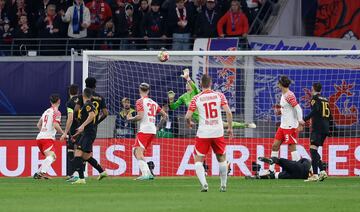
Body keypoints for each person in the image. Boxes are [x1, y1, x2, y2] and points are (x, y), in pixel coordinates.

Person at [185, 74, 233, 192]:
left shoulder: (196, 98)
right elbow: (229, 113)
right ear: (211, 83)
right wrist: (230, 128)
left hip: (203, 133)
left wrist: (189, 123)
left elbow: (187, 116)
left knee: (198, 161)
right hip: (217, 131)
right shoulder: (219, 95)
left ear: (201, 84)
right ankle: (223, 185)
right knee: (221, 158)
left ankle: (204, 184)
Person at [169, 68, 256, 129]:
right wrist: (171, 100)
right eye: (186, 84)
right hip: (200, 122)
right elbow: (173, 107)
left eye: (189, 84)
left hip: (208, 118)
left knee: (225, 125)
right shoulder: (183, 97)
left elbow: (195, 87)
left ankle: (245, 125)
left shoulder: (197, 93)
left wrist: (188, 78)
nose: (187, 86)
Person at [127, 83, 168, 180]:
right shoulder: (153, 102)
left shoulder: (140, 101)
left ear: (139, 90)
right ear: (148, 91)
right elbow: (165, 116)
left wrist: (130, 119)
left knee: (138, 152)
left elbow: (140, 116)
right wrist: (157, 127)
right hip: (152, 130)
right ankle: (148, 173)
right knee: (135, 150)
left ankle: (145, 174)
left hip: (145, 130)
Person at [71, 88, 107, 184]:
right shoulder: (88, 105)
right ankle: (102, 172)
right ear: (91, 96)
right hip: (87, 132)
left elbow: (91, 116)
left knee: (78, 153)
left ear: (83, 95)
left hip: (88, 133)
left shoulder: (87, 105)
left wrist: (82, 126)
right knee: (86, 156)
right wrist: (78, 132)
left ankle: (81, 178)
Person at [269, 76, 305, 174]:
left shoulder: (289, 95)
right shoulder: (283, 94)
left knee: (292, 148)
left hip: (290, 126)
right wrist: (280, 111)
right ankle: (271, 170)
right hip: (283, 126)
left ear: (280, 84)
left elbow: (297, 108)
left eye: (278, 83)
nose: (277, 85)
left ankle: (300, 170)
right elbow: (288, 108)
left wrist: (300, 121)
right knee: (275, 146)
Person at [303, 82, 331, 182]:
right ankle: (322, 171)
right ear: (321, 90)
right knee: (314, 150)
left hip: (318, 127)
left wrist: (304, 119)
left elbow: (315, 110)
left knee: (313, 150)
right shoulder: (325, 99)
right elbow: (330, 115)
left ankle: (315, 174)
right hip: (325, 128)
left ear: (313, 89)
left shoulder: (314, 99)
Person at [33, 94, 65, 179]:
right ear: (59, 101)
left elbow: (38, 124)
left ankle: (38, 173)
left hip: (39, 138)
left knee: (51, 156)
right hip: (47, 138)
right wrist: (63, 133)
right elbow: (55, 125)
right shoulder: (57, 112)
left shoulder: (46, 111)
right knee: (52, 157)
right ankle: (42, 173)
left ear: (50, 102)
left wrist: (43, 132)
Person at [60, 84, 80, 179]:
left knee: (71, 150)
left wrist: (65, 132)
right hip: (81, 129)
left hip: (72, 129)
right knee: (80, 151)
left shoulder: (69, 103)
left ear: (69, 92)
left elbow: (70, 118)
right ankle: (79, 173)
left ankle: (71, 173)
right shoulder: (82, 100)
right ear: (78, 92)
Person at [246, 157, 311, 180]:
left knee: (280, 160)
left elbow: (305, 160)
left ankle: (271, 160)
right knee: (274, 175)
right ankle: (258, 177)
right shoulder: (284, 173)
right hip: (301, 175)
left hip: (298, 171)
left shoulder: (284, 174)